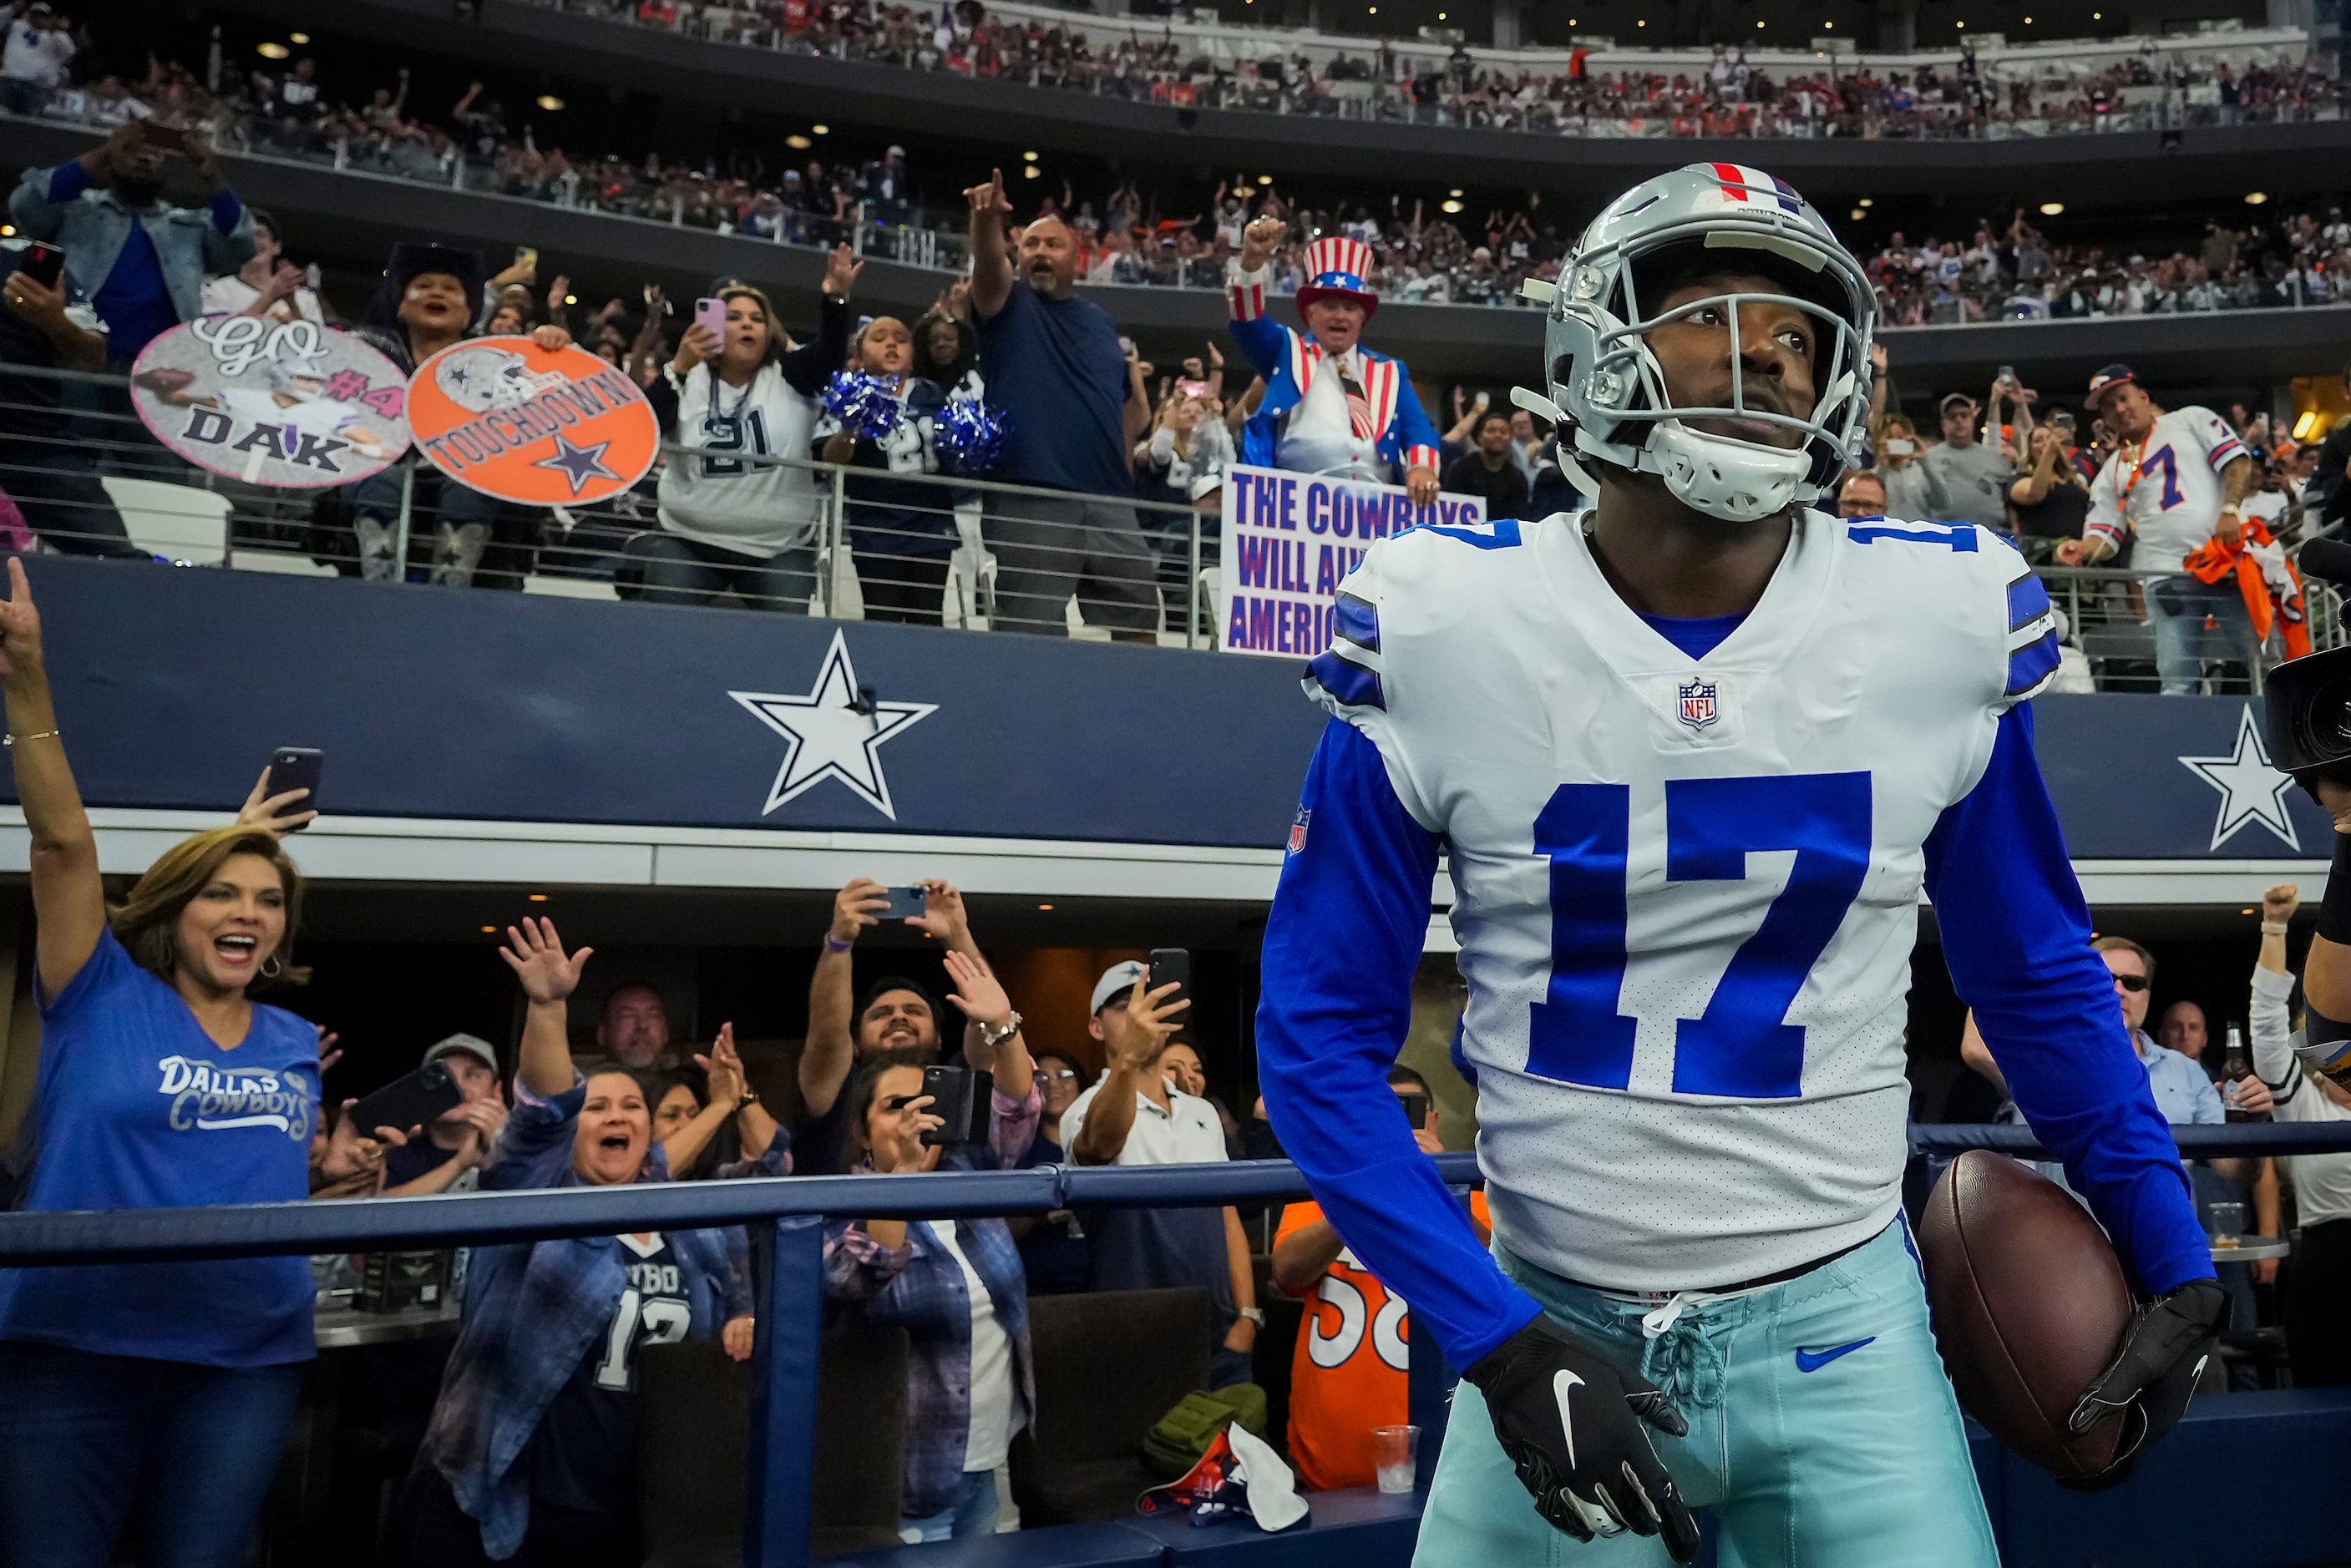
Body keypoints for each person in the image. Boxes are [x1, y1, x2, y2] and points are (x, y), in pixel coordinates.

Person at [1257, 163, 2221, 1568]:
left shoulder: (1930, 617)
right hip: (1554, 1322)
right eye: (1710, 312)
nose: (1764, 351)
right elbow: (1314, 1035)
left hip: (1845, 1326)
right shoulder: (1446, 621)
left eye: (1796, 329)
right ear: (1593, 344)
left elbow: (2032, 972)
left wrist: (2169, 1232)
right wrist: (1496, 1340)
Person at [0, 556, 403, 1566]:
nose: (248, 915)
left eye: (268, 902)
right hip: (72, 1349)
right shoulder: (98, 993)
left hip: (244, 1356)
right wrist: (26, 677)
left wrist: (330, 1176)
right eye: (222, 894)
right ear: (175, 911)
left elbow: (250, 1173)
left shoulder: (289, 1042)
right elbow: (61, 847)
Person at [403, 918, 782, 1567]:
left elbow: (774, 1173)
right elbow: (545, 1112)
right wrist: (548, 1008)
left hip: (634, 1507)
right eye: (598, 1107)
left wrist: (743, 1321)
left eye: (632, 1107)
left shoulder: (694, 1227)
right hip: (501, 1501)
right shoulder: (534, 1203)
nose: (616, 1117)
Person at [823, 952, 1040, 1542]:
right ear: (863, 1132)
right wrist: (900, 1179)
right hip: (908, 1478)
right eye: (895, 1106)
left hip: (994, 1455)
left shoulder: (970, 1177)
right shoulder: (839, 1202)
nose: (917, 1114)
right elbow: (855, 1277)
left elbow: (1019, 1110)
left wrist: (1004, 1028)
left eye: (927, 1102)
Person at [1272, 1065, 1490, 1492]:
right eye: (1378, 1115)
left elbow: (1499, 1273)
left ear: (1433, 1121)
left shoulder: (1474, 1194)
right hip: (1327, 1461)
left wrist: (1434, 1180)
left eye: (1406, 1112)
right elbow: (1286, 1272)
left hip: (1446, 1456)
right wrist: (1362, 1186)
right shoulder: (1323, 1192)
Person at [965, 172, 1158, 639]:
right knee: (1032, 633)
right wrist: (985, 223)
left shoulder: (1099, 322)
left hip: (1110, 499)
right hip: (1032, 494)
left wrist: (1124, 475)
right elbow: (990, 268)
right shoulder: (1008, 304)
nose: (1042, 253)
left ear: (1077, 258)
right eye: (1031, 245)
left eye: (1054, 245)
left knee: (1140, 623)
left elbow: (1127, 409)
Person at [1062, 965, 1262, 1388]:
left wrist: (1246, 1316)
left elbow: (1226, 1214)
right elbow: (1099, 1145)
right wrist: (1130, 1059)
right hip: (1133, 1336)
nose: (1141, 1016)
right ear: (1096, 1028)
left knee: (1233, 1455)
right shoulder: (1082, 1109)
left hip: (1220, 1337)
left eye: (1151, 1004)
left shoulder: (1202, 1111)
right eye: (1125, 1007)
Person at [345, 242, 572, 588]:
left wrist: (547, 347)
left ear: (469, 314)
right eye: (423, 286)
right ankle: (379, 588)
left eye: (451, 289)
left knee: (467, 489)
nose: (437, 292)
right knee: (384, 482)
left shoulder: (498, 361)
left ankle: (450, 589)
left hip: (463, 472)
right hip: (381, 467)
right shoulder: (364, 350)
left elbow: (543, 405)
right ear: (401, 305)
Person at [641, 250, 858, 609]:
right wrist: (678, 367)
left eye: (757, 319)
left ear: (768, 330)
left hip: (778, 547)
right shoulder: (686, 377)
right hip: (688, 540)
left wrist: (836, 299)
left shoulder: (790, 374)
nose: (747, 324)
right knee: (661, 630)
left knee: (787, 647)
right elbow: (645, 424)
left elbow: (830, 357)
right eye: (734, 317)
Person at [2059, 364, 2259, 695]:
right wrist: (2083, 549)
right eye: (2109, 407)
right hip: (2165, 573)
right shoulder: (2110, 471)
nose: (2119, 409)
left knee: (2264, 656)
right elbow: (2104, 535)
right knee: (2177, 678)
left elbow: (2237, 460)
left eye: (2122, 398)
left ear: (2142, 395)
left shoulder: (2190, 419)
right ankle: (2185, 743)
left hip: (2224, 560)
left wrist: (2230, 510)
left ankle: (2299, 734)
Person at [797, 878, 1011, 1175]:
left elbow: (989, 1016)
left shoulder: (961, 1082)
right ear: (855, 1043)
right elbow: (826, 1037)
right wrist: (839, 942)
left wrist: (957, 934)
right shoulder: (841, 1091)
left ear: (939, 1038)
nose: (899, 1018)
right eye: (881, 1014)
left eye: (913, 1011)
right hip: (857, 1220)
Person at [1226, 220, 1442, 505]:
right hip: (1294, 506)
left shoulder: (1390, 371)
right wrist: (1251, 266)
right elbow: (1248, 323)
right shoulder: (1288, 352)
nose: (1340, 315)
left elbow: (1418, 429)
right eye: (1329, 306)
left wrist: (1422, 467)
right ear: (1309, 315)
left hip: (1375, 510)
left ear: (1362, 319)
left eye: (1350, 308)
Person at [8, 118, 255, 366]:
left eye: (154, 154)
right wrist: (103, 153)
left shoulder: (187, 227)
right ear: (111, 161)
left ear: (167, 170)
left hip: (161, 368)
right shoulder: (77, 210)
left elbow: (242, 246)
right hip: (74, 351)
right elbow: (26, 205)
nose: (144, 158)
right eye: (130, 151)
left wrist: (212, 177)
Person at [2247, 881, 2351, 1384]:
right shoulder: (2301, 1099)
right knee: (2320, 1404)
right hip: (2328, 1268)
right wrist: (2274, 926)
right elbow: (2267, 1028)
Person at [0, 232, 139, 556]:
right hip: (36, 445)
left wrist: (53, 320)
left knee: (117, 561)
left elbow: (93, 358)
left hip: (33, 443)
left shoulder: (19, 257)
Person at [816, 313, 957, 625]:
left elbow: (954, 457)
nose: (892, 343)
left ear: (912, 355)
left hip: (931, 530)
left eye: (901, 338)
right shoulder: (846, 395)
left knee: (929, 622)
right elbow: (829, 461)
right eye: (879, 338)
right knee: (883, 621)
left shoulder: (933, 393)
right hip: (876, 532)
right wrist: (849, 428)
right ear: (860, 354)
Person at [381, 1033, 510, 1196]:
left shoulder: (526, 1151)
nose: (458, 1086)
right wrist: (458, 1164)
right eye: (442, 1076)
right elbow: (379, 1213)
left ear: (496, 1091)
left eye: (472, 1075)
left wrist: (506, 1149)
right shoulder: (397, 1155)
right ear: (423, 1092)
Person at [198, 207, 322, 324]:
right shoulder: (214, 291)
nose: (254, 242)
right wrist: (269, 296)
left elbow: (319, 343)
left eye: (260, 235)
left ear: (276, 247)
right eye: (247, 238)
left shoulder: (305, 297)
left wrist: (292, 305)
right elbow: (219, 338)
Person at [1918, 392, 2014, 535]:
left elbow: (2011, 498)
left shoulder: (1995, 457)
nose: (1958, 420)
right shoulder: (1927, 458)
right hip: (1944, 535)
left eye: (1964, 415)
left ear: (1972, 419)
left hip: (1992, 535)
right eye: (1952, 416)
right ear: (1943, 423)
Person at [2008, 419, 2091, 565]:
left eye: (2049, 439)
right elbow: (2034, 494)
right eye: (2038, 441)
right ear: (2029, 449)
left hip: (2075, 556)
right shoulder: (2020, 479)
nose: (2045, 444)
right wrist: (2049, 453)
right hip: (2040, 558)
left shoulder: (2074, 481)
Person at [575, 979, 678, 1075]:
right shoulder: (581, 1090)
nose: (642, 1025)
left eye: (653, 1015)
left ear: (666, 1032)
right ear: (602, 1034)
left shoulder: (686, 1089)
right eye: (627, 1016)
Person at [1442, 412, 1531, 518]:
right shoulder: (1461, 468)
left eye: (1503, 432)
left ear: (1511, 439)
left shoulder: (1518, 478)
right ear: (1480, 437)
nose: (1497, 435)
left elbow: (1519, 517)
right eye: (1491, 431)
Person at [1872, 412, 1935, 521]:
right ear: (1879, 441)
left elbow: (1944, 504)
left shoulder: (1921, 472)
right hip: (1886, 533)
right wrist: (1883, 465)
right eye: (1890, 438)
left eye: (1901, 438)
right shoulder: (1873, 476)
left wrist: (1925, 463)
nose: (1897, 443)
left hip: (1919, 534)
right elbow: (1871, 499)